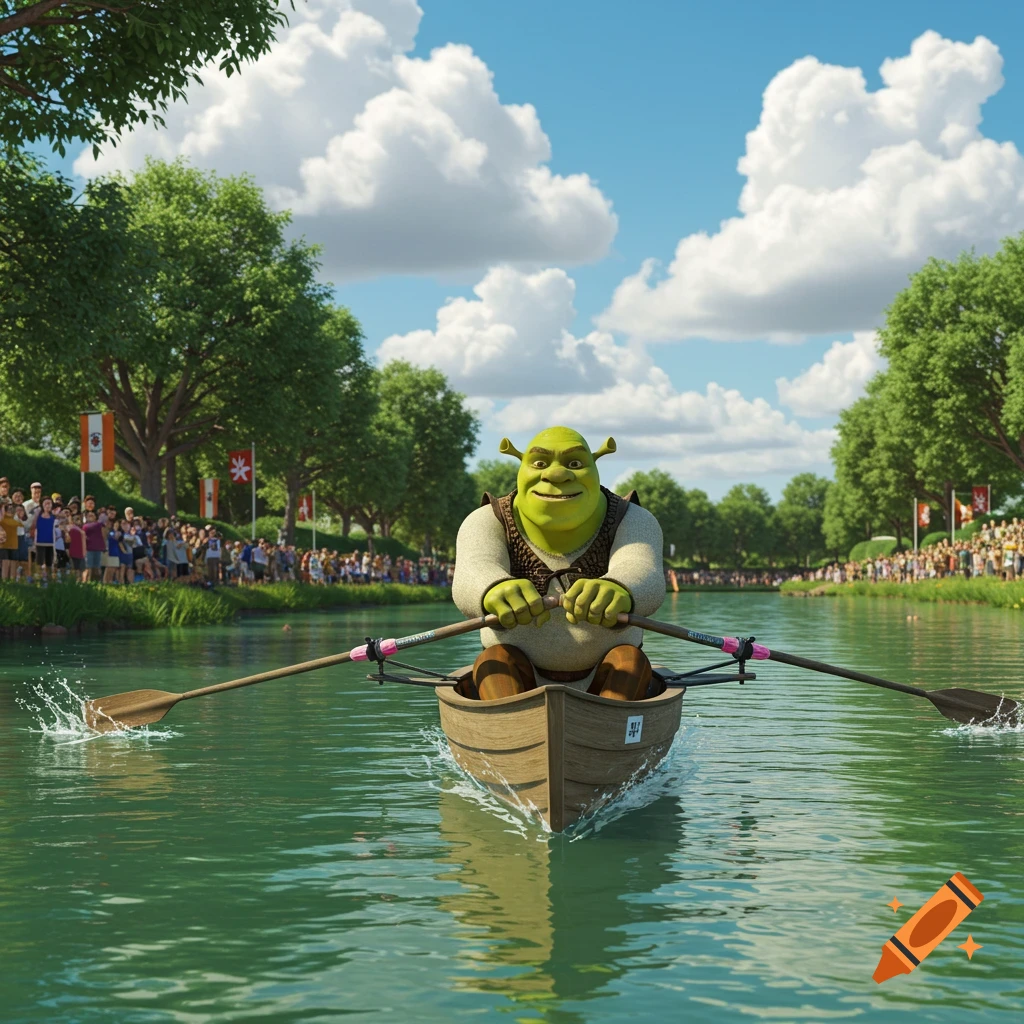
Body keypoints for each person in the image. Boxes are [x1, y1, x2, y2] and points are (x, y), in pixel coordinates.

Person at [452, 427, 665, 702]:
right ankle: (512, 728)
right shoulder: (486, 519)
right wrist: (493, 588)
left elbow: (642, 568)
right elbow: (474, 567)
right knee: (495, 662)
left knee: (630, 662)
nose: (556, 475)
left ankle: (607, 730)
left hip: (611, 676)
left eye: (574, 464)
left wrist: (619, 588)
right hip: (513, 675)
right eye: (540, 463)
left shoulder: (633, 519)